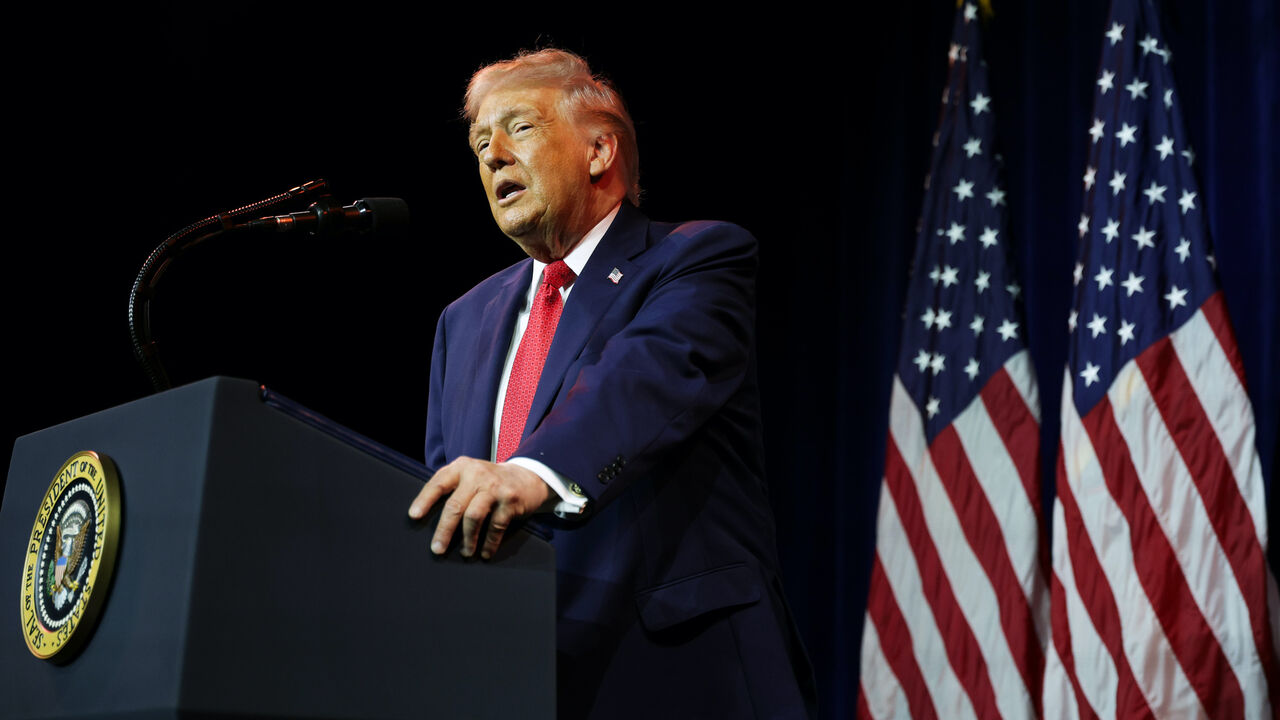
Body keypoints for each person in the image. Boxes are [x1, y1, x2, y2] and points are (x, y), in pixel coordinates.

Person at [408, 48, 816, 719]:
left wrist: (531, 474)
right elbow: (449, 491)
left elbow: (642, 382)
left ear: (599, 151)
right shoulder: (464, 320)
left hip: (677, 674)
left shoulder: (695, 258)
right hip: (511, 681)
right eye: (480, 144)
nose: (494, 157)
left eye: (519, 128)